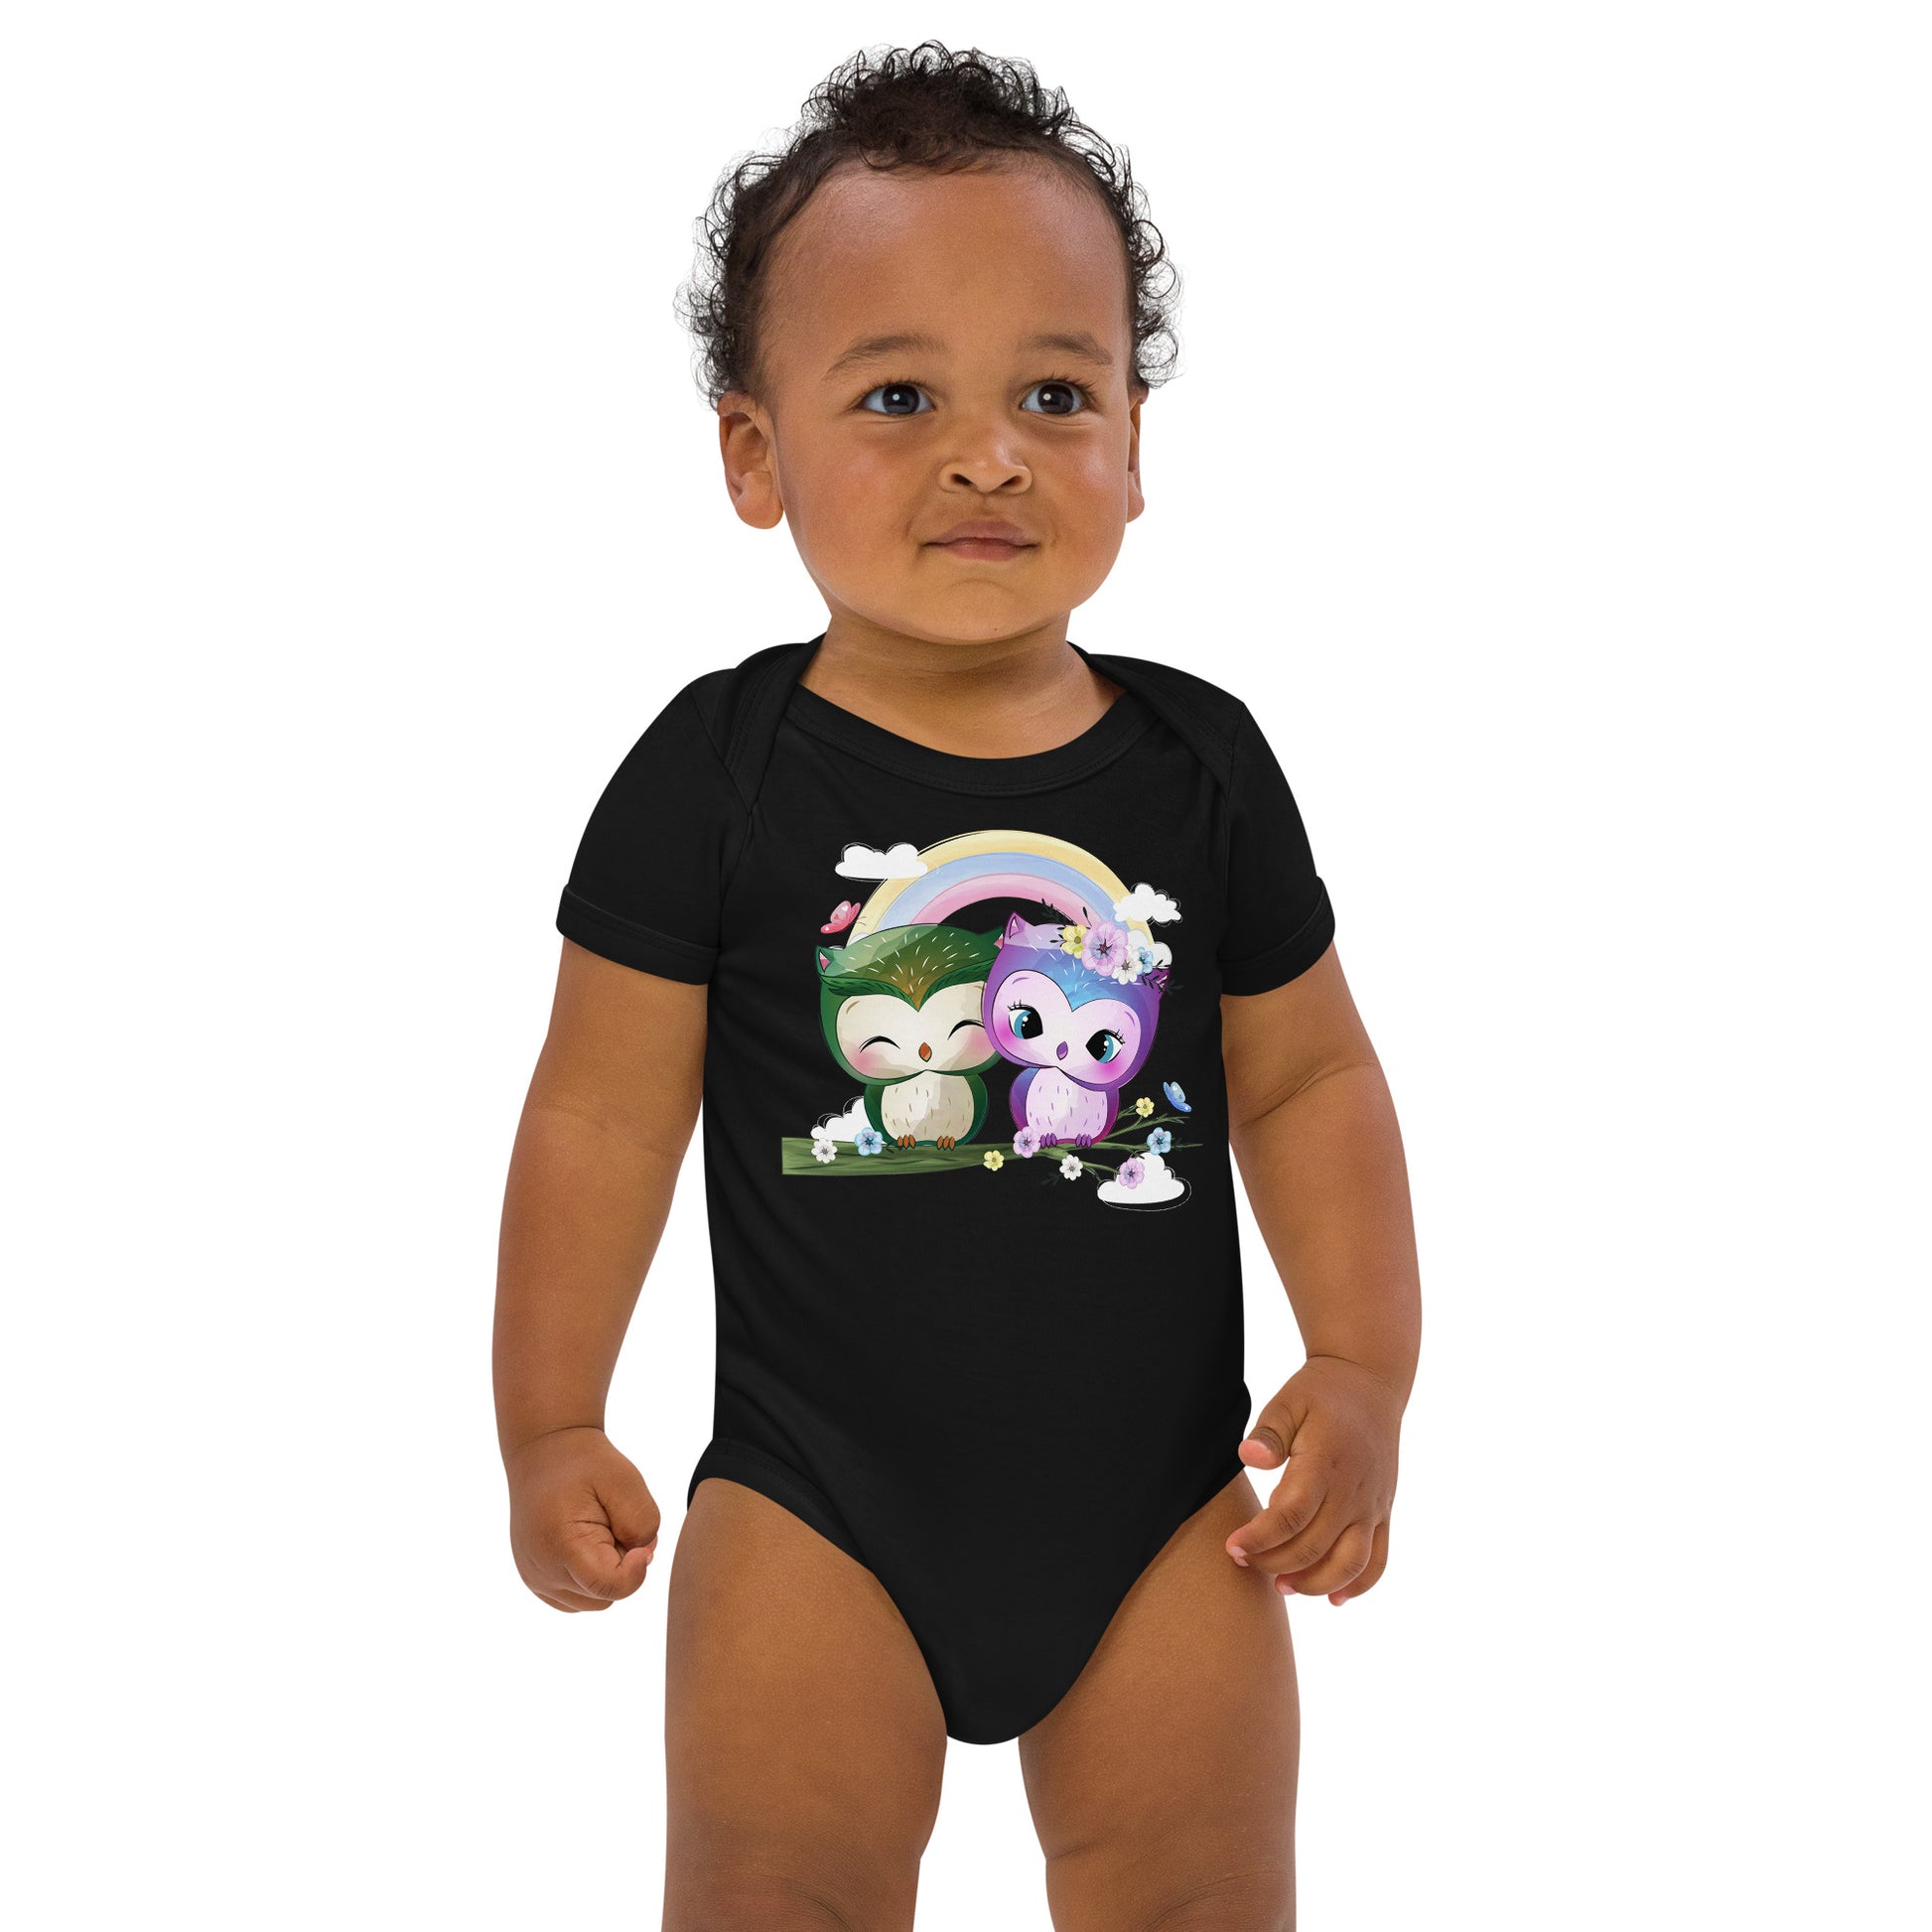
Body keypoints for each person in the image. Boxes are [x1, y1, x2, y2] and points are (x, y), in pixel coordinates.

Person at [493, 41, 1421, 1932]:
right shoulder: (716, 774)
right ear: (755, 455)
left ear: (1135, 449)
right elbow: (596, 1111)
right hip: (812, 1512)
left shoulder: (1203, 768)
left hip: (1167, 1517)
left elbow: (1307, 1080)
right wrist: (547, 1418)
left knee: (1200, 1897)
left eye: (1055, 394)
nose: (987, 452)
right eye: (899, 394)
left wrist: (1363, 1364)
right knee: (774, 1892)